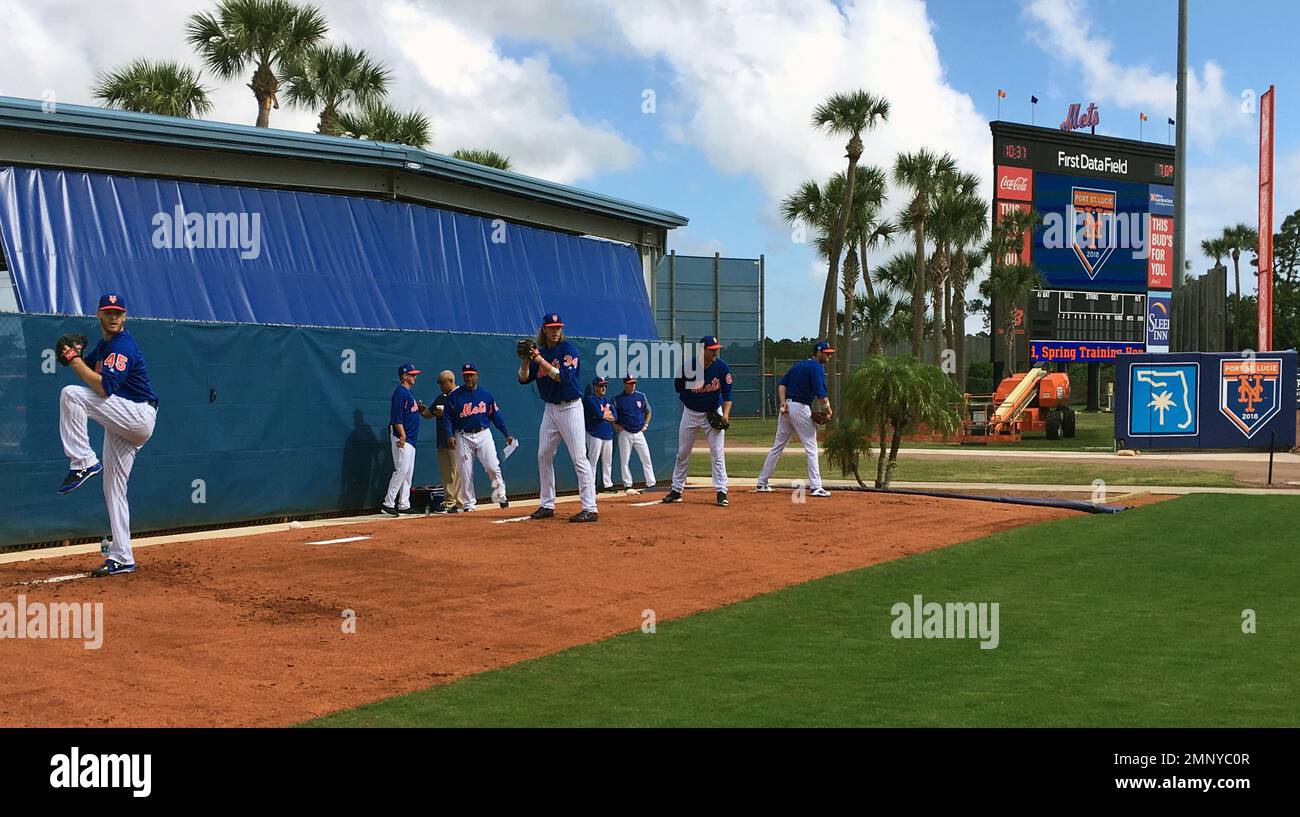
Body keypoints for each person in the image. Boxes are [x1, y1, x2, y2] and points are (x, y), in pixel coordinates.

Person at [56, 292, 159, 577]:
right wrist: (72, 357)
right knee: (113, 488)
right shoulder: (104, 347)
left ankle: (83, 461)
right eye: (109, 312)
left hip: (138, 415)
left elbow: (102, 389)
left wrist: (73, 359)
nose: (114, 317)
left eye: (118, 313)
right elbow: (84, 368)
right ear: (99, 315)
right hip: (123, 421)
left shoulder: (123, 345)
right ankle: (122, 556)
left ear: (124, 317)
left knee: (71, 395)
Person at [518, 313, 598, 523]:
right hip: (550, 410)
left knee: (579, 458)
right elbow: (523, 378)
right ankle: (547, 504)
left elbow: (562, 376)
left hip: (570, 408)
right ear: (544, 329)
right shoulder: (541, 352)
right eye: (551, 328)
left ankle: (590, 507)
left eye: (558, 327)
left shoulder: (568, 350)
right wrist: (526, 362)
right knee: (543, 455)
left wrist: (538, 359)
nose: (555, 331)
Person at [756, 340, 834, 497]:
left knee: (778, 446)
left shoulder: (799, 365)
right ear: (818, 353)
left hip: (787, 409)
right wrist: (829, 410)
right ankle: (816, 486)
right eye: (827, 354)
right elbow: (821, 394)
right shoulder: (817, 367)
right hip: (800, 407)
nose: (829, 357)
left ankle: (762, 483)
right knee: (811, 446)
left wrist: (783, 403)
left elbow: (782, 385)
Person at [662, 335, 732, 507]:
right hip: (691, 413)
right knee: (683, 452)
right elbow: (678, 388)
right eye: (712, 350)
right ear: (703, 350)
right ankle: (677, 490)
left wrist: (726, 415)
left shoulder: (721, 367)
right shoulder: (688, 367)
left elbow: (728, 394)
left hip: (712, 412)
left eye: (716, 349)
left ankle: (721, 491)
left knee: (717, 453)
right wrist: (692, 398)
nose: (715, 353)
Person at [446, 363, 513, 512]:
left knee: (492, 466)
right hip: (463, 435)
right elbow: (447, 418)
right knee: (465, 471)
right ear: (462, 377)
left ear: (477, 376)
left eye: (471, 375)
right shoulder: (454, 396)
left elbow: (496, 416)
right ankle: (469, 504)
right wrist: (450, 435)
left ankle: (501, 495)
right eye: (466, 375)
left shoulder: (485, 395)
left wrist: (506, 433)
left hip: (483, 433)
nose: (469, 378)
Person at [382, 364, 434, 516]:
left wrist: (418, 407)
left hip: (411, 438)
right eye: (412, 374)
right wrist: (402, 435)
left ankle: (404, 504)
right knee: (402, 469)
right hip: (402, 437)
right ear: (404, 376)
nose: (415, 377)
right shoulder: (400, 393)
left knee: (408, 472)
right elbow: (396, 417)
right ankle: (388, 503)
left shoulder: (408, 393)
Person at [611, 376, 655, 492]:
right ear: (625, 384)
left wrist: (645, 425)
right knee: (625, 460)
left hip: (639, 432)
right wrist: (615, 425)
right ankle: (628, 485)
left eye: (634, 383)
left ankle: (651, 483)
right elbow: (611, 415)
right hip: (625, 432)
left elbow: (648, 412)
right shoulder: (617, 399)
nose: (632, 385)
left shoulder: (641, 396)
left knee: (646, 457)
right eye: (630, 383)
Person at [431, 369, 464, 513]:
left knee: (456, 472)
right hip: (442, 441)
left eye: (442, 383)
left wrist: (444, 413)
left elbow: (462, 414)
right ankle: (450, 501)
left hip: (455, 440)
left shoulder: (460, 396)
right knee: (446, 473)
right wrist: (421, 409)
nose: (440, 386)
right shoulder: (440, 398)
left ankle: (460, 503)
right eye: (439, 383)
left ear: (451, 381)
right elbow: (429, 413)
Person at [583, 377, 617, 492]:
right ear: (595, 387)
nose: (604, 388)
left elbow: (615, 417)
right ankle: (591, 486)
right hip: (594, 434)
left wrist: (605, 415)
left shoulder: (607, 401)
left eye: (605, 386)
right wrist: (606, 415)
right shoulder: (590, 399)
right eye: (601, 386)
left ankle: (607, 485)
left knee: (607, 461)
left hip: (607, 434)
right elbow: (599, 414)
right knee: (592, 461)